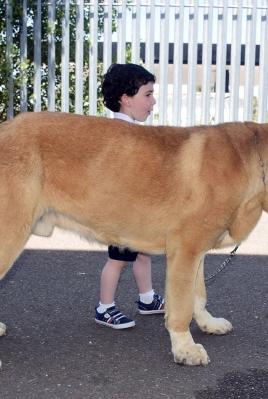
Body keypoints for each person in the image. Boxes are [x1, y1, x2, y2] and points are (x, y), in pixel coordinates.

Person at [94, 63, 165, 329]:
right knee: (117, 260)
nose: (153, 100)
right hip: (122, 214)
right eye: (147, 94)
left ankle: (147, 300)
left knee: (144, 254)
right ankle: (104, 308)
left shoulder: (132, 132)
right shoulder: (121, 134)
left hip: (138, 212)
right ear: (125, 99)